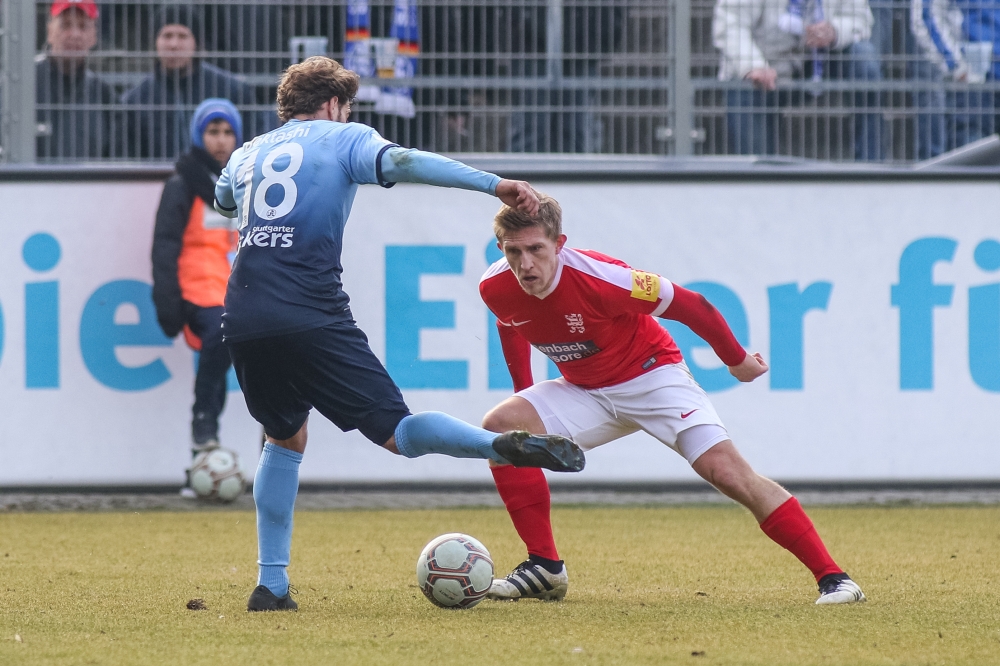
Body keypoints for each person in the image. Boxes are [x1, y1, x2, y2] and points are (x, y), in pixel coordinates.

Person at [212, 56, 586, 612]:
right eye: (347, 108)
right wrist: (494, 184)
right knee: (399, 433)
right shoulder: (345, 138)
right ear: (334, 105)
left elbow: (222, 200)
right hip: (311, 309)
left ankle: (271, 587)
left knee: (282, 437)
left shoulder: (248, 151)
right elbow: (406, 161)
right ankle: (499, 446)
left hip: (243, 314)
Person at [477, 193, 866, 605]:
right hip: (585, 389)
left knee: (727, 473)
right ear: (501, 248)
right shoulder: (494, 286)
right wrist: (525, 400)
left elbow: (692, 305)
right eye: (514, 251)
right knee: (502, 432)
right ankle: (544, 568)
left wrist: (736, 361)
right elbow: (511, 325)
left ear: (559, 243)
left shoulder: (605, 279)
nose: (525, 264)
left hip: (652, 377)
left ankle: (836, 579)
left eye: (536, 249)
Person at [151, 99, 243, 488]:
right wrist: (167, 301)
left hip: (236, 289)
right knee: (221, 335)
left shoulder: (245, 182)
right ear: (197, 136)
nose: (220, 141)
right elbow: (165, 245)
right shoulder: (182, 184)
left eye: (228, 132)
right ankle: (203, 425)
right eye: (212, 132)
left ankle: (268, 446)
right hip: (197, 287)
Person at [713, 0, 884, 161]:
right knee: (756, 161)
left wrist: (835, 31)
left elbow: (861, 19)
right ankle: (759, 175)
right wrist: (752, 66)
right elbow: (730, 23)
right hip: (762, 67)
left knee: (863, 57)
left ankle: (871, 168)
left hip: (819, 60)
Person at [120, 5, 274, 159]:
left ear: (197, 42)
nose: (174, 44)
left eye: (182, 36)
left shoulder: (233, 91)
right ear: (155, 41)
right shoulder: (135, 100)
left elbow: (255, 146)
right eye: (167, 35)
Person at [910, 0, 999, 157]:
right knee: (974, 154)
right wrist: (956, 64)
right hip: (974, 75)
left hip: (983, 70)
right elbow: (925, 15)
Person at [36, 0, 115, 160]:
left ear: (93, 37)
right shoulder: (22, 86)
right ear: (50, 31)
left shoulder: (104, 95)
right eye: (65, 25)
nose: (75, 34)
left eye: (83, 26)